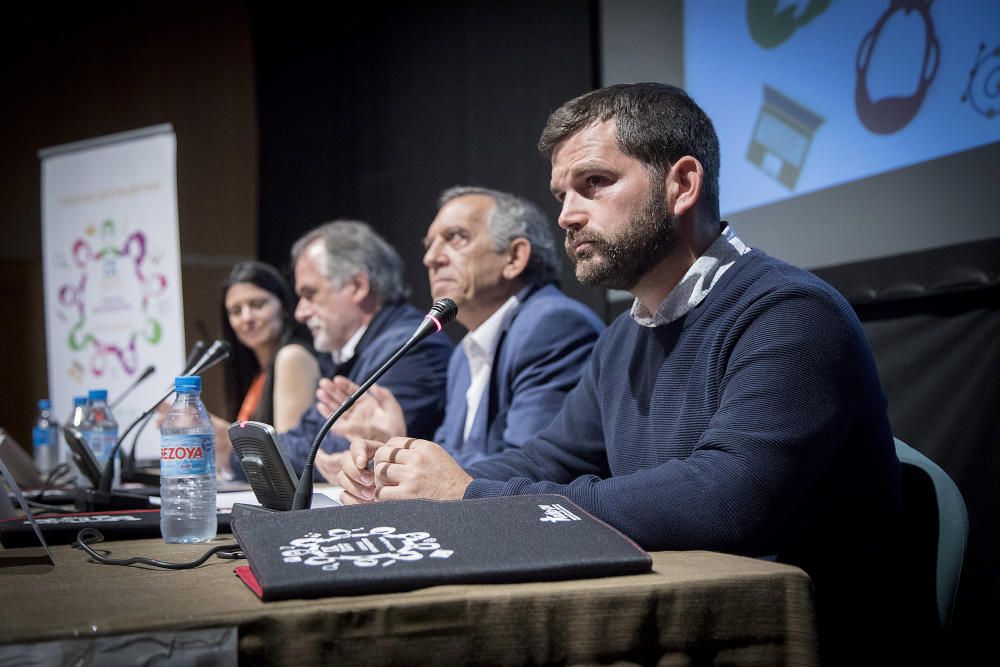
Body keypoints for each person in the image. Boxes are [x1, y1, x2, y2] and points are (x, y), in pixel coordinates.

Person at [338, 83, 903, 660]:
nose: (567, 216)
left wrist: (472, 494)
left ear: (682, 184)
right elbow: (548, 458)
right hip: (683, 630)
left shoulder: (791, 314)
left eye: (594, 184)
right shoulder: (623, 338)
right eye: (561, 195)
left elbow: (724, 501)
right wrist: (410, 472)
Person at [320, 186, 604, 466]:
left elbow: (530, 468)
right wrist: (394, 441)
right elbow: (453, 461)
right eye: (429, 245)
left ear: (514, 257)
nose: (431, 258)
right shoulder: (463, 356)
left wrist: (405, 451)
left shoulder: (551, 327)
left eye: (455, 238)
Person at [258, 220, 453, 482]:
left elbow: (351, 450)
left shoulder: (412, 348)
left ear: (358, 286)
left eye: (310, 294)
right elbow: (309, 434)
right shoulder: (350, 354)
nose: (300, 313)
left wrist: (243, 452)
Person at [207, 261, 321, 478]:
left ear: (285, 308)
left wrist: (227, 443)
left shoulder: (292, 357)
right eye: (236, 311)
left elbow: (288, 457)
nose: (246, 318)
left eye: (257, 304)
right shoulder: (256, 372)